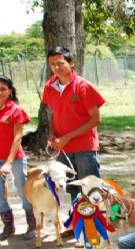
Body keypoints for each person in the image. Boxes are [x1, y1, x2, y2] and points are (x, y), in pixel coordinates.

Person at [42, 46, 105, 204]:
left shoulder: (83, 87)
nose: (56, 67)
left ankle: (95, 227)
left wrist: (67, 137)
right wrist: (52, 134)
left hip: (84, 147)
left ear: (71, 63)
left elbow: (96, 119)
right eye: (52, 64)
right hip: (62, 148)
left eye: (60, 63)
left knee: (90, 188)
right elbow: (53, 113)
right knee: (72, 189)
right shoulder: (50, 87)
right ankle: (78, 226)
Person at [0, 75, 36, 241]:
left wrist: (9, 162)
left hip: (15, 158)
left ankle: (32, 225)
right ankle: (8, 226)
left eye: (3, 89)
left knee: (22, 189)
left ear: (10, 91)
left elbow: (17, 138)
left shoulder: (16, 110)